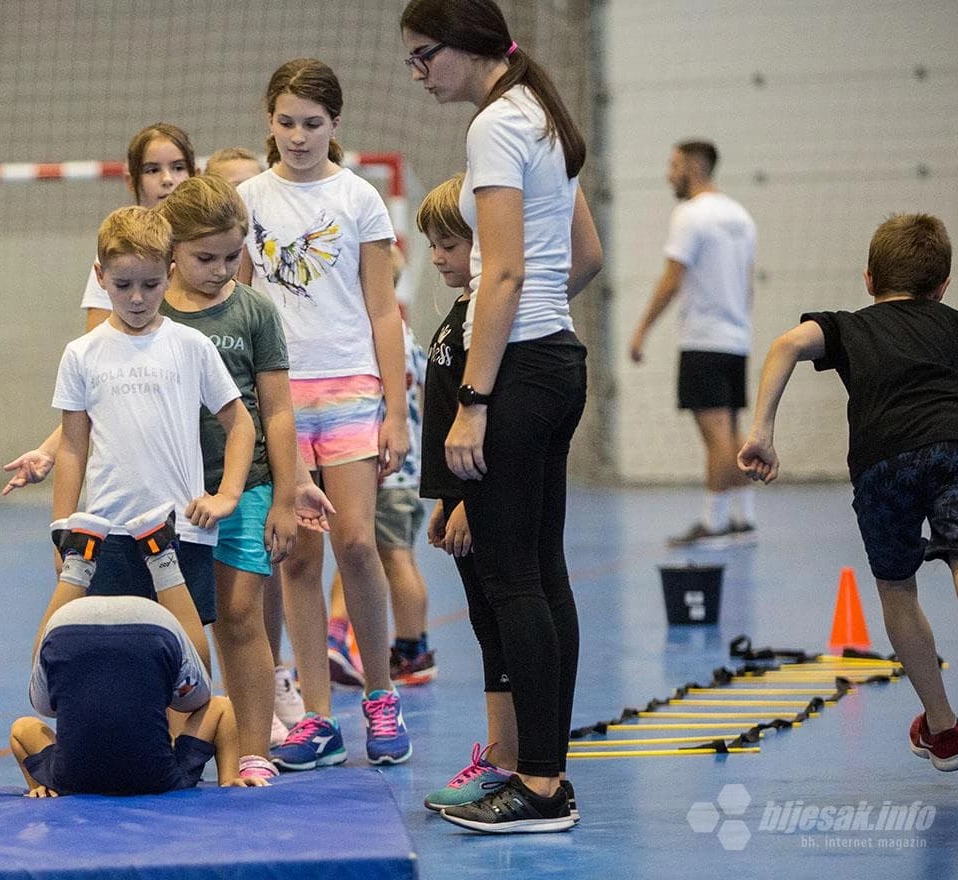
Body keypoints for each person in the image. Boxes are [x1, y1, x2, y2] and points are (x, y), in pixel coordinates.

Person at [402, 0, 602, 833]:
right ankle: (540, 773)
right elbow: (580, 258)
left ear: (468, 46)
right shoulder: (540, 114)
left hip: (518, 373)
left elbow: (506, 272)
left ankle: (540, 787)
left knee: (513, 579)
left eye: (424, 56)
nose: (418, 73)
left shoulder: (496, 124)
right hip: (557, 361)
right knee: (543, 575)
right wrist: (534, 334)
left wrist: (476, 398)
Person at [738, 213, 958, 772]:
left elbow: (786, 344)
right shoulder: (957, 325)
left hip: (881, 465)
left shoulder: (848, 326)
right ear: (943, 286)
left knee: (898, 591)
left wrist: (763, 432)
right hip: (954, 449)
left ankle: (943, 728)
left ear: (868, 279)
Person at [236, 58, 413, 770]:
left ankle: (380, 694)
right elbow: (240, 305)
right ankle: (318, 715)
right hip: (279, 397)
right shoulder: (247, 197)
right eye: (286, 122)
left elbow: (382, 309)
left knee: (360, 545)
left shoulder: (360, 199)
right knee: (298, 556)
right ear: (268, 120)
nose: (299, 137)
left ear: (335, 125)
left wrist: (397, 412)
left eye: (313, 124)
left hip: (349, 392)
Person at [40, 205, 255, 672]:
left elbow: (240, 423)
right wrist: (63, 530)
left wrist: (226, 495)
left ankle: (181, 748)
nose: (137, 298)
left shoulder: (191, 345)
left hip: (181, 531)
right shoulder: (81, 354)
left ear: (170, 273)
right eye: (122, 285)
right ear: (100, 276)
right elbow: (74, 447)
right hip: (105, 532)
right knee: (112, 659)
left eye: (151, 285)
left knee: (188, 663)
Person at [156, 173, 302, 780]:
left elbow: (277, 411)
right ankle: (179, 748)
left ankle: (253, 752)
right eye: (203, 258)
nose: (220, 269)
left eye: (231, 255)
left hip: (248, 486)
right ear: (172, 251)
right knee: (177, 625)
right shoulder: (151, 311)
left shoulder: (254, 311)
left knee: (241, 619)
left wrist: (286, 498)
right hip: (170, 494)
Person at [411, 173, 526, 810]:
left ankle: (508, 757)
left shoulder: (488, 317)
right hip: (461, 493)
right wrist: (443, 495)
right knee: (486, 625)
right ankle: (500, 751)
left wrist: (466, 499)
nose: (437, 257)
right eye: (433, 244)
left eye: (448, 245)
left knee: (499, 624)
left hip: (480, 495)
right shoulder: (458, 315)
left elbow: (485, 415)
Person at [1, 123, 199, 493]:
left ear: (196, 173)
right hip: (137, 449)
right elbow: (98, 377)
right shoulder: (114, 259)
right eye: (153, 170)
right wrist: (49, 450)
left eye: (178, 168)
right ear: (131, 180)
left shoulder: (211, 257)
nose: (168, 180)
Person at [10, 515, 266, 795]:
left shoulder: (165, 779)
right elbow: (24, 728)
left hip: (143, 626)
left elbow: (220, 710)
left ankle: (160, 556)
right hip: (77, 626)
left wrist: (44, 786)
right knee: (202, 697)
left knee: (205, 698)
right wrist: (228, 779)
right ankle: (79, 564)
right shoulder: (163, 780)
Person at [628, 140, 758, 547]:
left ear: (692, 167)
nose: (669, 174)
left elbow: (672, 277)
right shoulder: (741, 217)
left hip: (703, 340)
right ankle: (743, 518)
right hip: (736, 338)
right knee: (732, 430)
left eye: (673, 165)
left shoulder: (690, 216)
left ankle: (714, 525)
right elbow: (748, 283)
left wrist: (642, 328)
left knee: (715, 435)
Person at [325, 246, 436, 689]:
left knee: (392, 557)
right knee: (365, 550)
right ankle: (376, 641)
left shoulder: (375, 338)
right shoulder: (406, 336)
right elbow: (428, 395)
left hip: (382, 469)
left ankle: (410, 649)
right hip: (399, 469)